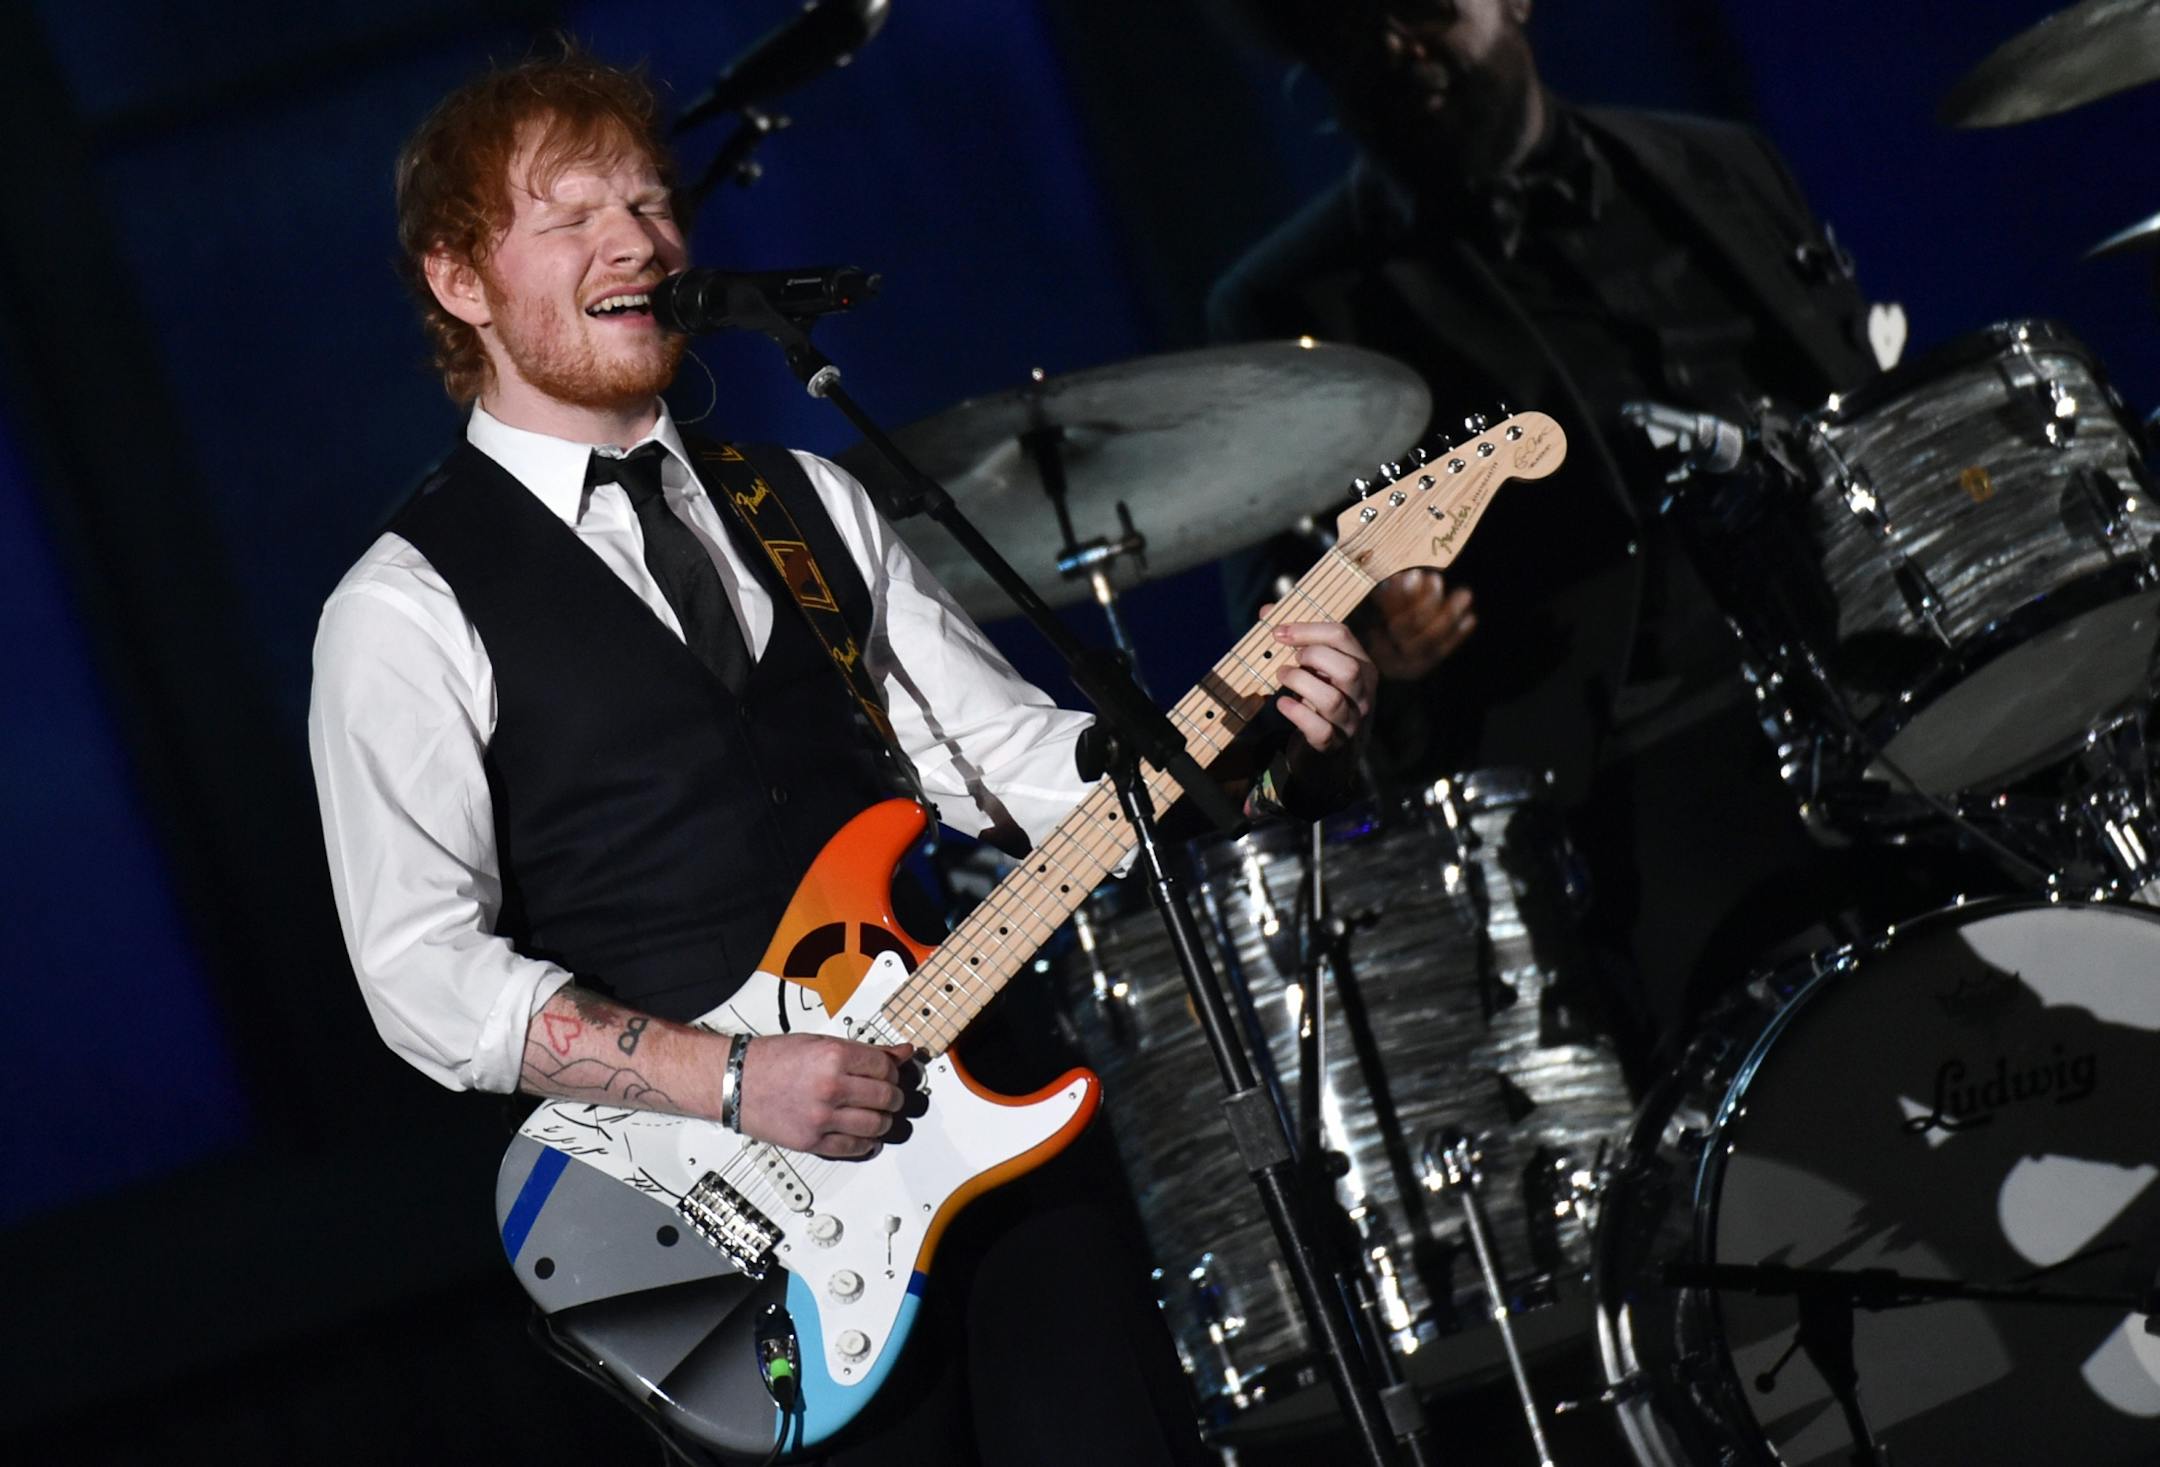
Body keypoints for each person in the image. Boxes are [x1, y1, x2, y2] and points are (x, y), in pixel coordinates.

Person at [307, 49, 1376, 1467]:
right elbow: (420, 974)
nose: (637, 239)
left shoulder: (807, 499)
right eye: (569, 214)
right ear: (460, 279)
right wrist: (734, 1081)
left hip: (992, 1121)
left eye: (651, 201)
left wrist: (1231, 733)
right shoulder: (404, 604)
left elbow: (998, 758)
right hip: (743, 1223)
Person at [1207, 0, 1964, 1052]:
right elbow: (1277, 639)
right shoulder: (1293, 302)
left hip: (1862, 688)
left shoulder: (1719, 166)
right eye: (1349, 28)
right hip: (1615, 778)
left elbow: (1862, 408)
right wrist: (1379, 650)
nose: (1394, 46)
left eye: (1425, 8)